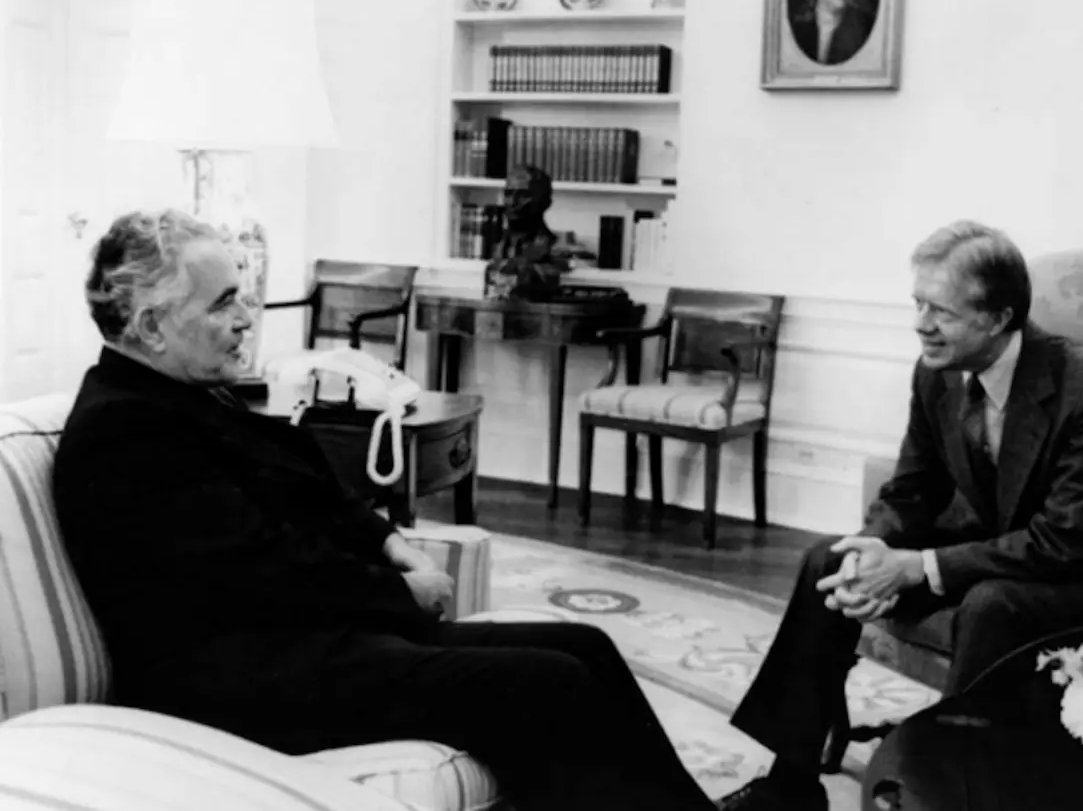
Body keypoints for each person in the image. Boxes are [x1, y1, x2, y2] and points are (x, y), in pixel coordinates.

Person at [53, 209, 717, 811]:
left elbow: (302, 488)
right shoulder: (123, 432)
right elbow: (266, 568)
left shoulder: (185, 391)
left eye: (244, 295)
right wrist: (401, 592)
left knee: (583, 644)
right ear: (150, 326)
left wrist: (384, 538)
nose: (247, 316)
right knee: (545, 682)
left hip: (300, 643)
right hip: (236, 684)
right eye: (224, 302)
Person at [718, 222, 1083, 811]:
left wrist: (916, 568)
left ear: (998, 318)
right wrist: (871, 551)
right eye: (918, 304)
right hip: (997, 548)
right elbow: (912, 490)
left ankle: (945, 794)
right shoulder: (935, 372)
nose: (920, 323)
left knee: (991, 606)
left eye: (940, 311)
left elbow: (1064, 540)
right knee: (829, 561)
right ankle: (789, 784)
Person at [484, 164, 569, 300]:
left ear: (545, 202)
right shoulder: (497, 247)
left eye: (523, 195)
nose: (512, 202)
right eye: (508, 194)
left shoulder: (555, 249)